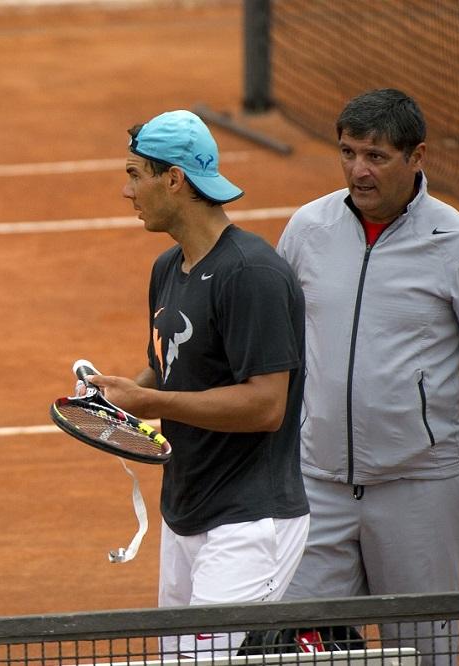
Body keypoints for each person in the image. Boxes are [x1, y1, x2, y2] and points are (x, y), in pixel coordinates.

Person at [276, 89, 459, 663]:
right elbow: (279, 349)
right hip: (317, 485)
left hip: (419, 490)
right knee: (292, 649)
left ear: (417, 156)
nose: (357, 170)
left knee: (422, 653)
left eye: (375, 156)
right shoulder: (307, 229)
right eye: (347, 152)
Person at [82, 109, 310, 658]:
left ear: (175, 180)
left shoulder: (251, 274)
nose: (125, 190)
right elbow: (167, 369)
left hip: (250, 520)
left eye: (136, 175)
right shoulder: (168, 268)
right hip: (184, 512)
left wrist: (152, 400)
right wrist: (115, 398)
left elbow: (265, 405)